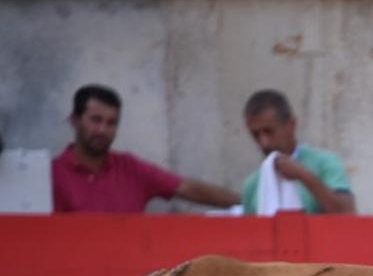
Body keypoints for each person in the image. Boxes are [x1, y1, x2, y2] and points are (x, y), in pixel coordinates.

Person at [51, 84, 239, 213]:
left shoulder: (130, 169)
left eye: (111, 123)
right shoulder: (51, 175)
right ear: (75, 120)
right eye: (96, 120)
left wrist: (252, 202)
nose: (103, 130)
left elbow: (188, 188)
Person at [241, 90, 355, 214]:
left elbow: (347, 214)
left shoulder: (326, 164)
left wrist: (303, 175)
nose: (264, 143)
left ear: (291, 125)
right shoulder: (253, 185)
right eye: (255, 135)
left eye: (269, 131)